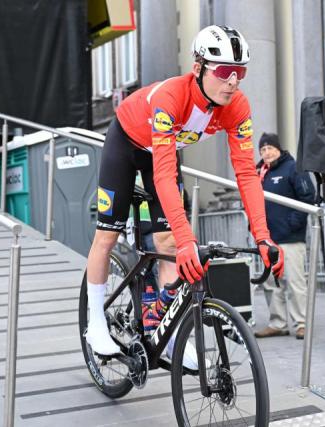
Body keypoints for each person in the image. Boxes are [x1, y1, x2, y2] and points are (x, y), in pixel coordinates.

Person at [84, 25, 285, 369]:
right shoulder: (172, 98)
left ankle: (169, 334)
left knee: (169, 245)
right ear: (198, 68)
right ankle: (96, 323)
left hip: (162, 151)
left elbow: (247, 174)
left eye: (240, 72)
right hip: (127, 143)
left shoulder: (237, 106)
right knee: (107, 235)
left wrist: (263, 235)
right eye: (223, 71)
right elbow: (163, 174)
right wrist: (187, 236)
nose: (233, 81)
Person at [253, 133, 315, 340]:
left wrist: (292, 225)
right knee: (271, 283)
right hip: (268, 239)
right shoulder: (259, 173)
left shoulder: (293, 168)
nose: (266, 153)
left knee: (296, 282)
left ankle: (302, 323)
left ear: (279, 149)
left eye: (270, 148)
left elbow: (308, 198)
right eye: (262, 150)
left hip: (290, 238)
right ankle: (277, 323)